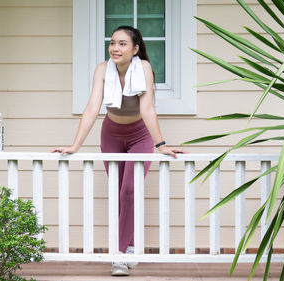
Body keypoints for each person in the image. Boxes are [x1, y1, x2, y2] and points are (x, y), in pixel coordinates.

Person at [51, 26, 186, 276]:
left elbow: (147, 109)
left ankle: (119, 255)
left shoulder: (144, 68)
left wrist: (161, 144)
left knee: (130, 190)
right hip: (111, 133)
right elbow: (92, 108)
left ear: (135, 49)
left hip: (140, 135)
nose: (115, 48)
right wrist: (74, 145)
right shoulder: (103, 69)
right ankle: (131, 245)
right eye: (113, 42)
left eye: (123, 44)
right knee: (118, 193)